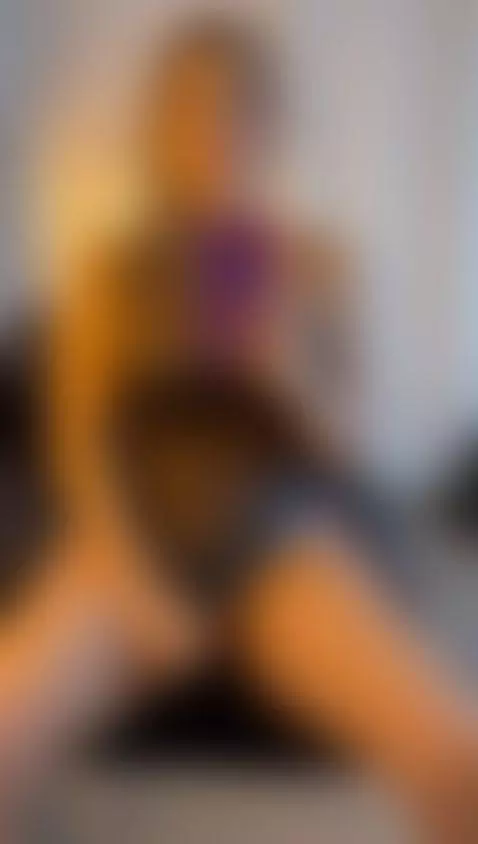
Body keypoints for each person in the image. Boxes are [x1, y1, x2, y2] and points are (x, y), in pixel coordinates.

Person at [1, 14, 477, 841]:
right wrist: (133, 569)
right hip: (145, 518)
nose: (213, 135)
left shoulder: (313, 266)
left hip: (273, 521)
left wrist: (282, 370)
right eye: (192, 112)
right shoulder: (115, 269)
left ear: (266, 132)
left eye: (234, 114)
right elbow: (82, 440)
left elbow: (340, 448)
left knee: (455, 758)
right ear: (161, 130)